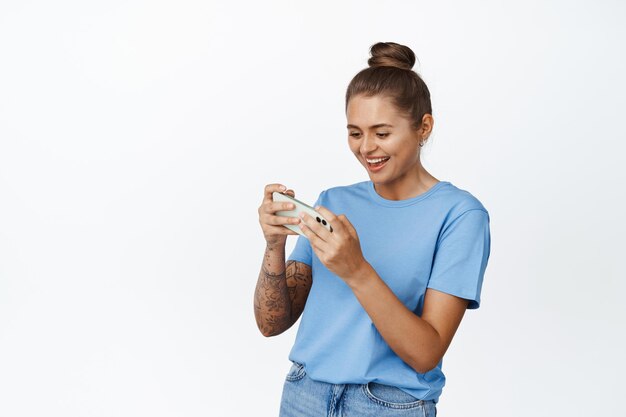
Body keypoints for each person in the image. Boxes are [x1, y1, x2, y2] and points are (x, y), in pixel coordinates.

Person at [255, 41, 491, 417]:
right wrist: (274, 246)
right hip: (305, 396)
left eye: (382, 133)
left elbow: (426, 353)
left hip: (389, 406)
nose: (367, 148)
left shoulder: (461, 215)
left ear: (423, 127)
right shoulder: (334, 202)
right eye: (355, 133)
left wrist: (356, 269)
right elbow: (272, 324)